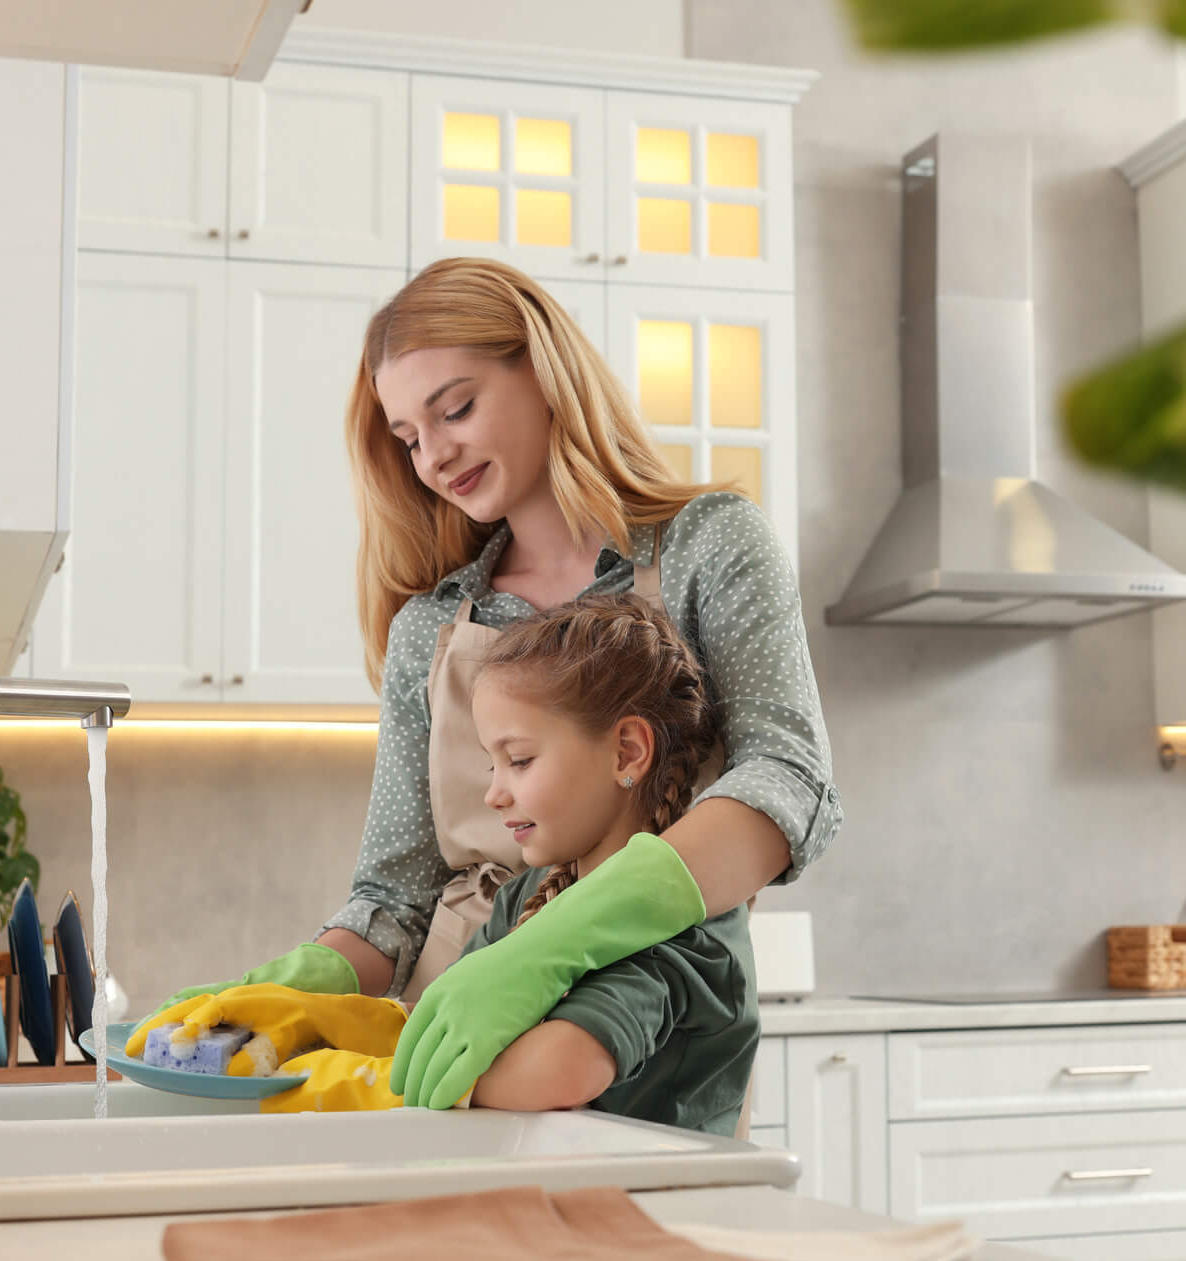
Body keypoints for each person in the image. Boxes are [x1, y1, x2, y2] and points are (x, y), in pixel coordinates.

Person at [146, 256, 842, 1108]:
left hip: (632, 1018)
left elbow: (786, 781)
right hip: (451, 1025)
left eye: (457, 409)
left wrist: (554, 943)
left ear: (545, 374)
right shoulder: (427, 630)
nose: (434, 457)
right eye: (407, 439)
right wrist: (305, 982)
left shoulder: (706, 548)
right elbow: (397, 896)